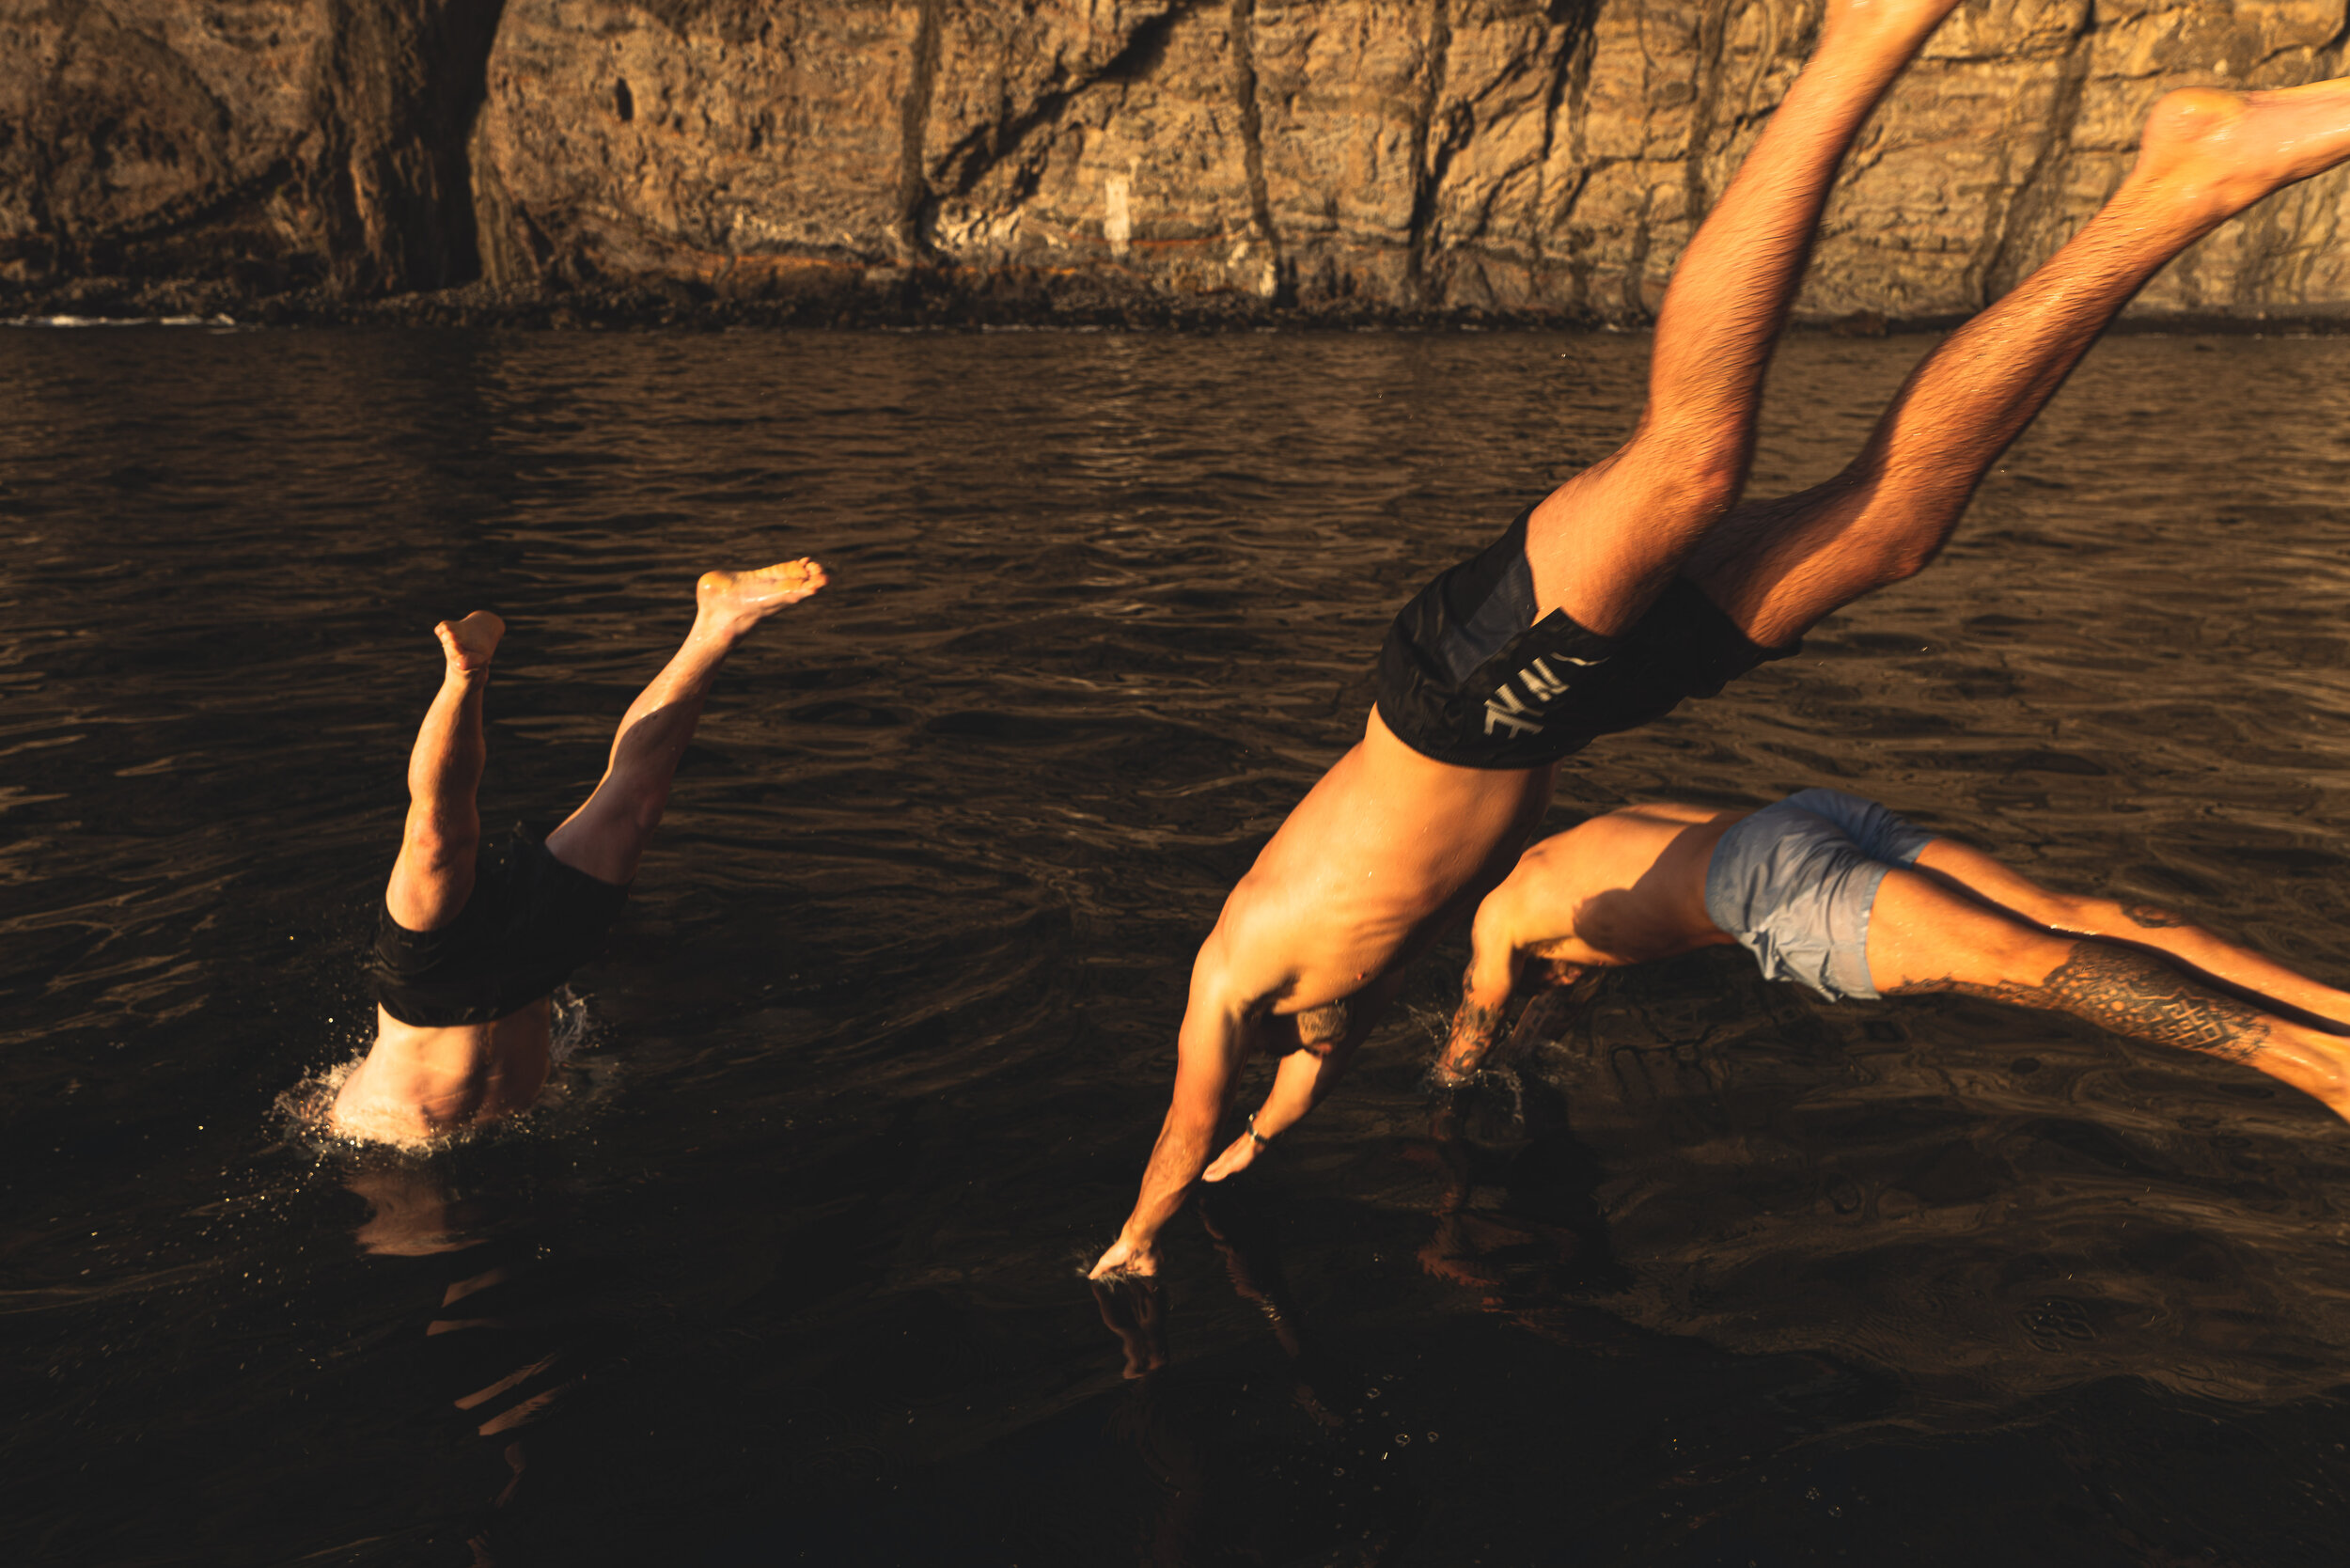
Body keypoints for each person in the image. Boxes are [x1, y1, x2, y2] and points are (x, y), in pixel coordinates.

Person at [1090, 0, 2350, 1278]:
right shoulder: (1320, 1027)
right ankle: (2188, 178)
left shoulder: (1226, 981)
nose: (1306, 1055)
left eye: (1285, 1061)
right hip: (1567, 711)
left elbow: (1186, 1117)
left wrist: (1141, 1235)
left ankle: (1864, 32)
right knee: (1892, 531)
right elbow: (1274, 1104)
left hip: (1457, 694)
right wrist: (1260, 1149)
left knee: (1687, 465)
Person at [1433, 788, 2350, 1124]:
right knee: (2061, 912)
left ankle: (2326, 1068)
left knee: (2031, 963)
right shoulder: (1575, 847)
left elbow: (1473, 1036)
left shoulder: (1497, 922)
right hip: (1803, 812)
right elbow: (1582, 972)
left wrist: (1445, 1100)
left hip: (1767, 882)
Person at [330, 559, 827, 1141]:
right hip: (532, 965)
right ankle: (717, 624)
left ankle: (465, 676)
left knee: (436, 836)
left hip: (430, 988)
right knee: (636, 806)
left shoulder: (378, 1167)